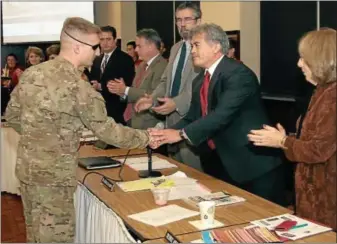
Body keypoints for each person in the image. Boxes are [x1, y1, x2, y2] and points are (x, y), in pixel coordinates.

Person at [4, 17, 156, 243]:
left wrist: (42, 136)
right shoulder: (78, 87)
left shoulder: (32, 74)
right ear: (77, 47)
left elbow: (13, 116)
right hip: (55, 178)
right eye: (94, 47)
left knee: (35, 235)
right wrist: (147, 137)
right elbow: (107, 131)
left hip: (28, 170)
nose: (97, 53)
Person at [148, 23, 285, 205]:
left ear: (216, 46)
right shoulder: (200, 80)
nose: (192, 51)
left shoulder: (238, 74)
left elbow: (221, 115)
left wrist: (180, 134)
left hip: (253, 166)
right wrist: (165, 134)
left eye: (196, 45)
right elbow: (192, 117)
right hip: (221, 164)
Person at [248, 28, 336, 230]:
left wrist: (282, 142)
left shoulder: (333, 97)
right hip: (315, 197)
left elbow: (318, 150)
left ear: (320, 59)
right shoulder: (322, 91)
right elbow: (317, 137)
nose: (299, 64)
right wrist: (285, 138)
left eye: (303, 58)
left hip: (326, 199)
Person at [134, 2, 203, 170]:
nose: (182, 24)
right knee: (175, 172)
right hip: (170, 120)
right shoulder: (176, 48)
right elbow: (165, 81)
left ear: (199, 21)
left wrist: (176, 103)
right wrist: (152, 100)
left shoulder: (203, 48)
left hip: (192, 121)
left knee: (195, 175)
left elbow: (198, 85)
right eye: (178, 20)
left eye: (187, 19)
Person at [107, 29, 167, 129]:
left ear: (151, 46)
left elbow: (153, 95)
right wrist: (122, 92)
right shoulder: (141, 65)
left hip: (149, 124)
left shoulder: (162, 66)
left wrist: (126, 90)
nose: (136, 50)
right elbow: (135, 90)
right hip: (134, 119)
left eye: (139, 46)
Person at [89, 26, 135, 125]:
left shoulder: (125, 59)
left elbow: (127, 84)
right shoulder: (96, 60)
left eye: (108, 39)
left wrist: (101, 86)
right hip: (99, 109)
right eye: (102, 39)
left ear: (115, 40)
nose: (105, 43)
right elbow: (93, 80)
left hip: (117, 110)